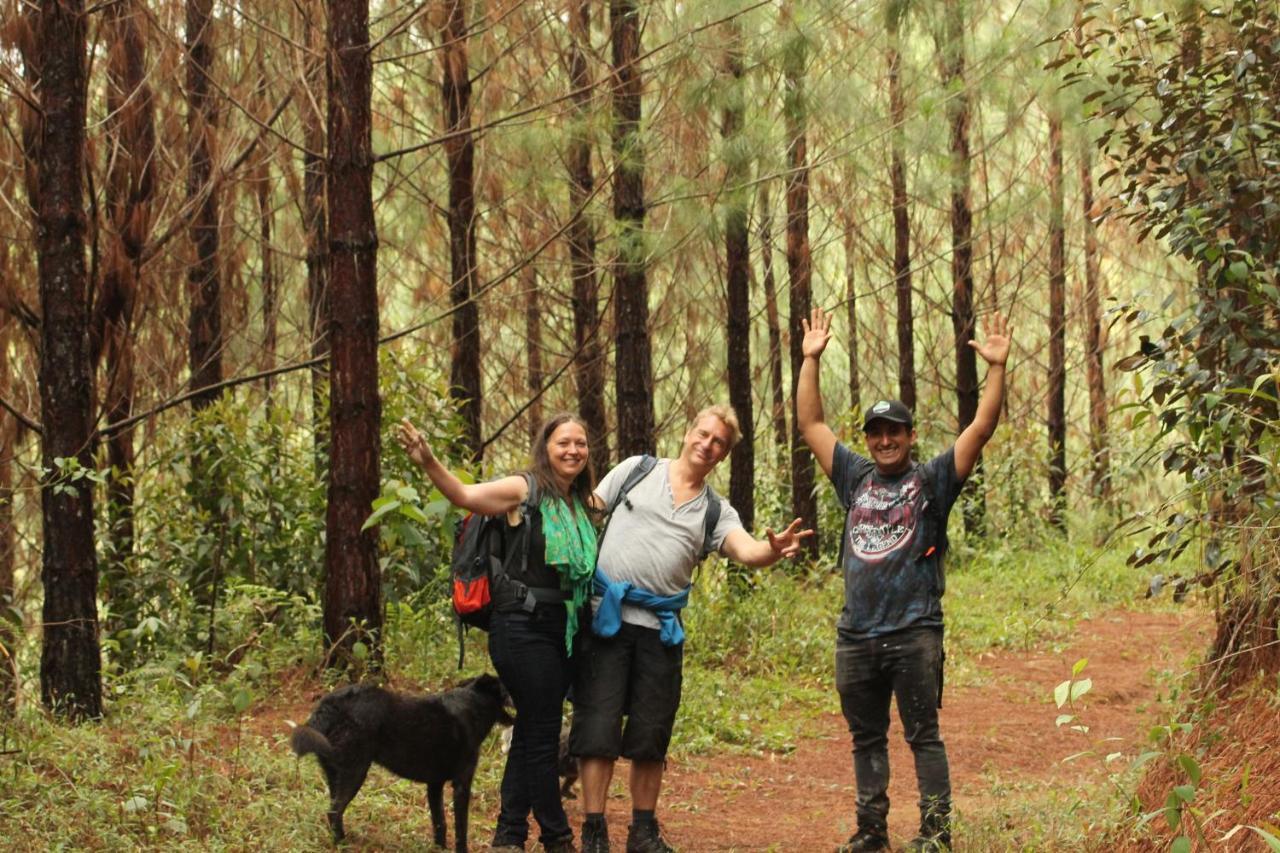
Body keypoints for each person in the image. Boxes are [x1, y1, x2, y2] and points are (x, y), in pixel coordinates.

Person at [797, 306, 1011, 852]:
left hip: (915, 632)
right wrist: (810, 360)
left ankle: (935, 835)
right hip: (857, 636)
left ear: (911, 435)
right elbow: (811, 425)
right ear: (868, 439)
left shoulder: (933, 480)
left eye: (894, 432)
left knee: (923, 737)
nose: (885, 440)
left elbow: (981, 427)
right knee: (866, 738)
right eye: (876, 433)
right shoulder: (854, 476)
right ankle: (871, 833)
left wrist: (996, 368)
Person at [572, 404, 814, 853]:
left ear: (724, 454)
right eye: (702, 434)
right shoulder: (635, 471)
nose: (707, 444)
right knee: (597, 729)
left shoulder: (715, 511)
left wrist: (772, 549)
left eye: (718, 441)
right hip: (605, 621)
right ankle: (594, 831)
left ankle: (642, 832)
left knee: (650, 733)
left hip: (660, 632)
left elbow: (746, 551)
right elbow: (588, 509)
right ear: (687, 433)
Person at [397, 412, 598, 853]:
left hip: (561, 633)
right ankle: (557, 836)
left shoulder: (580, 504)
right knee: (543, 735)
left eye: (580, 444)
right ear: (546, 448)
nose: (573, 451)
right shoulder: (522, 490)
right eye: (564, 442)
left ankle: (508, 834)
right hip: (521, 629)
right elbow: (465, 495)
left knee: (531, 731)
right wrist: (428, 460)